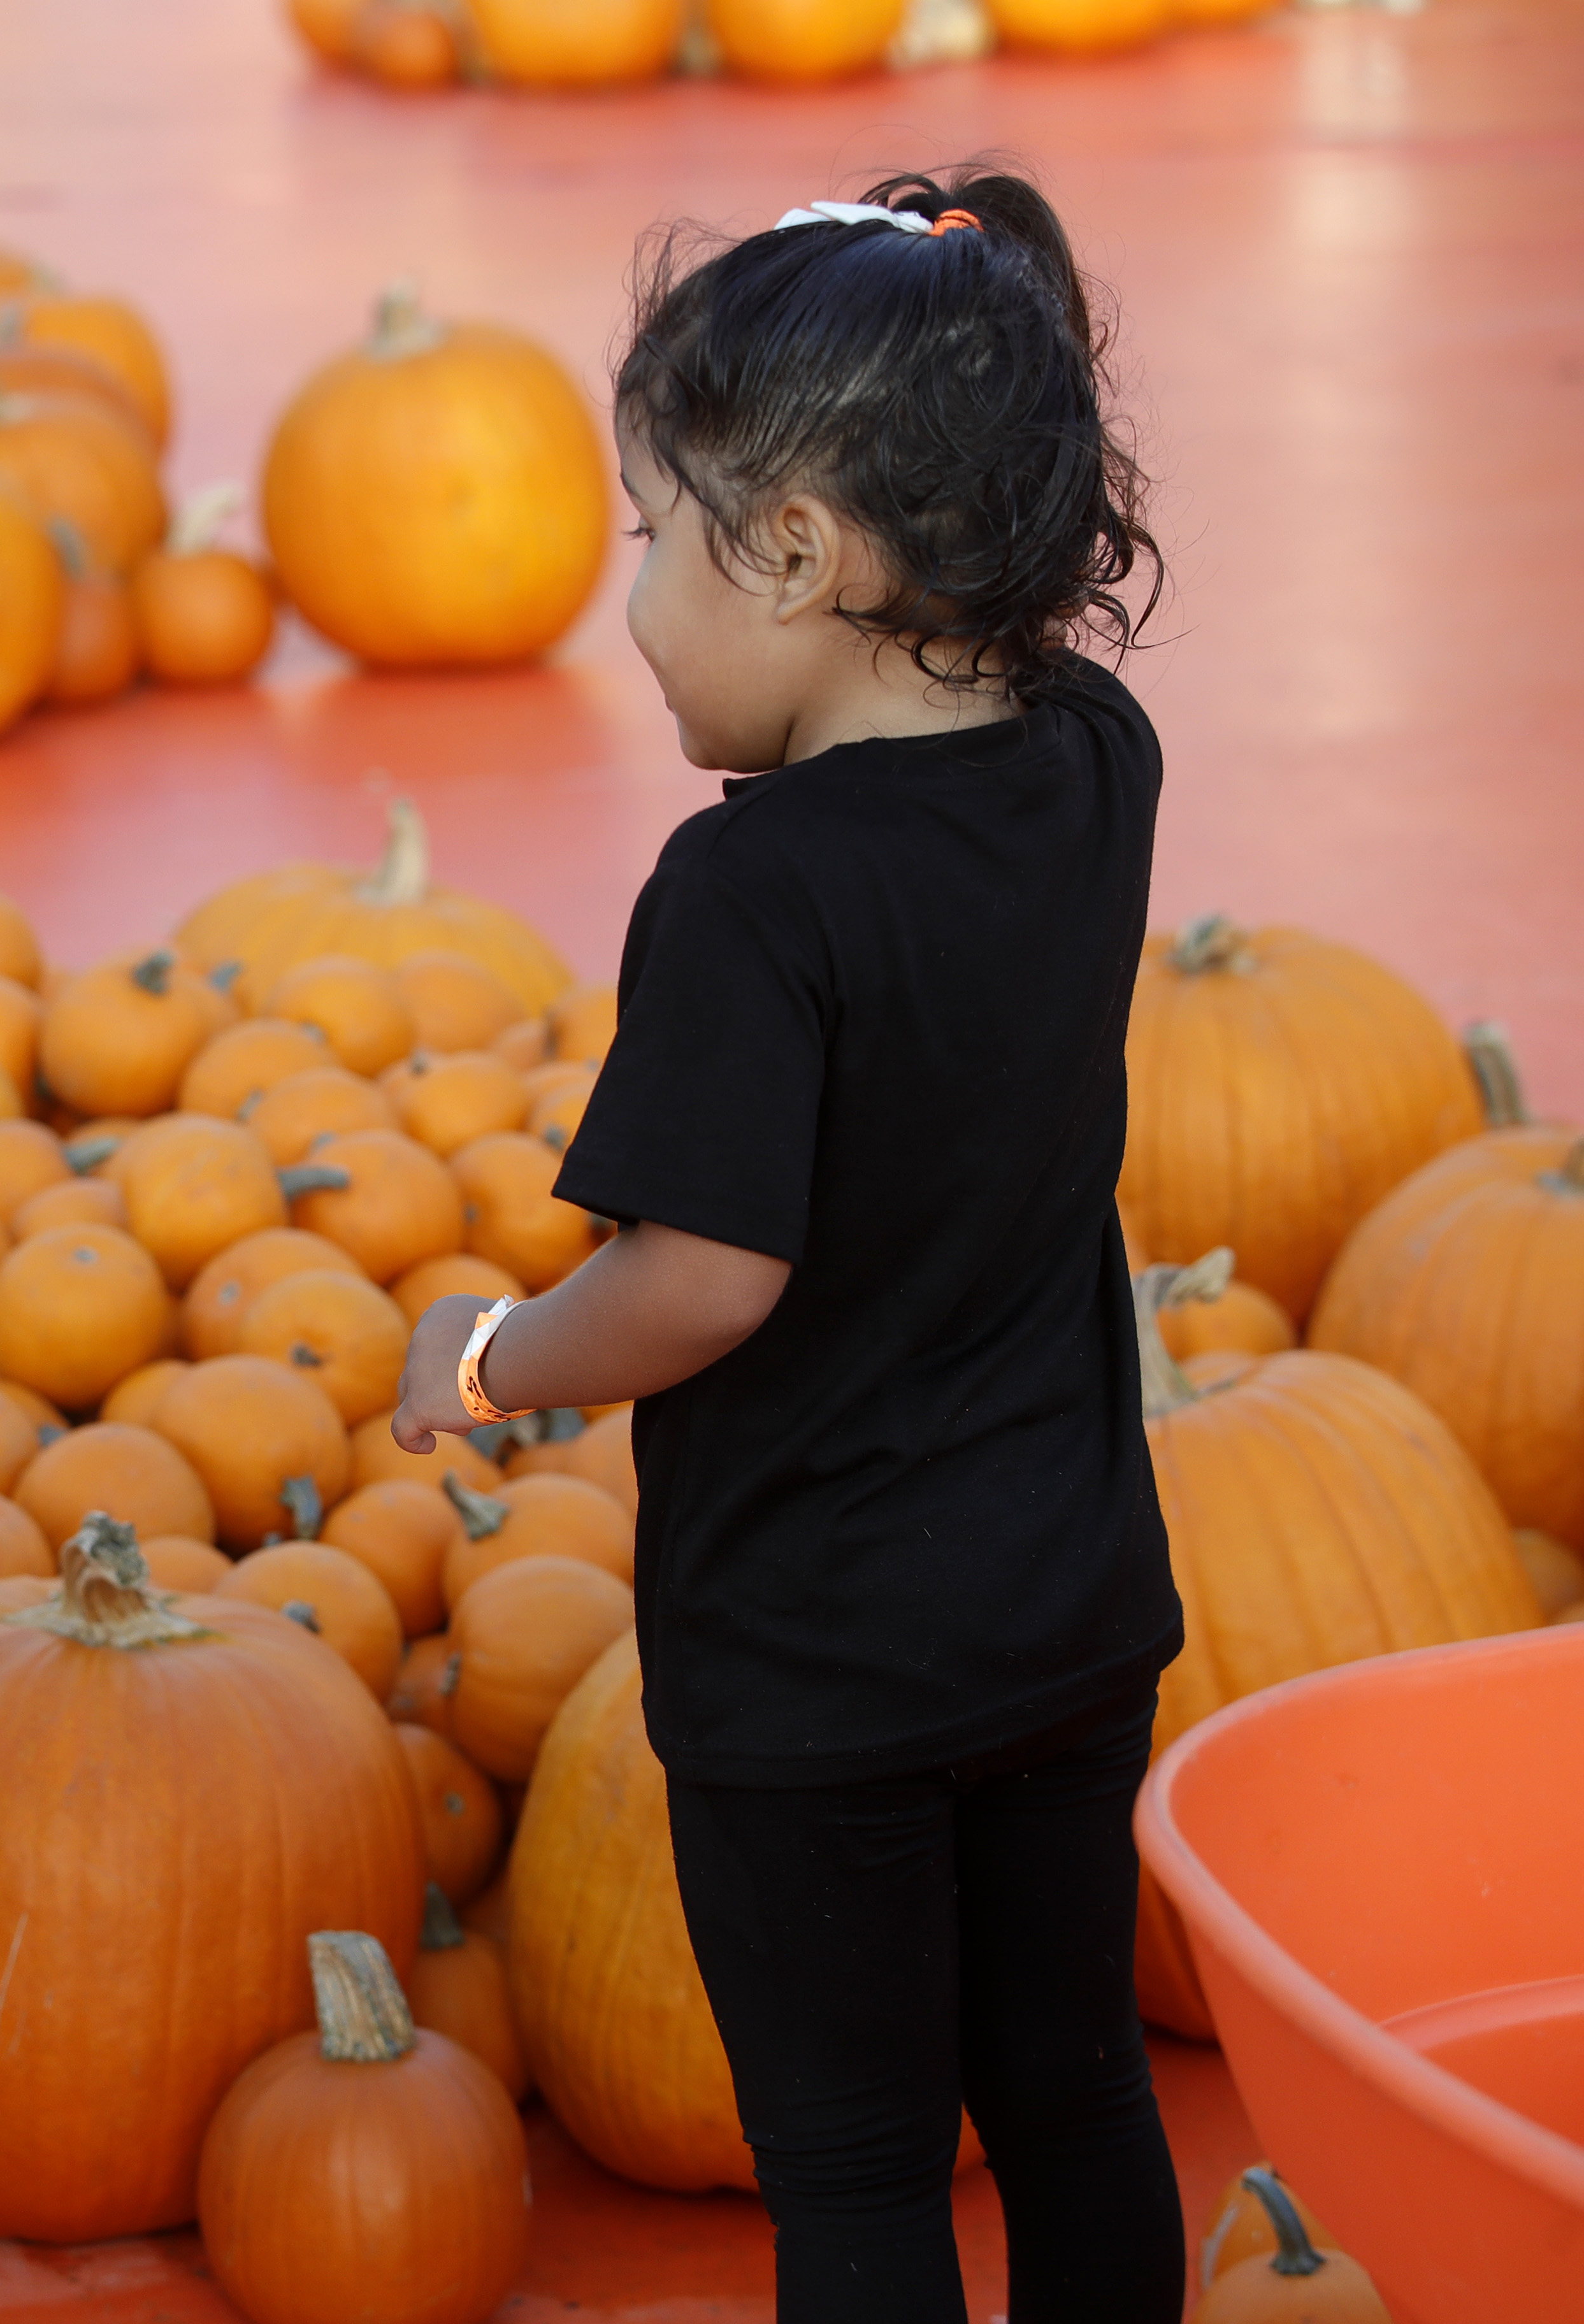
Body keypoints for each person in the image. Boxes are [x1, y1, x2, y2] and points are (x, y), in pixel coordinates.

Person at [387, 171, 1184, 2321]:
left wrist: (487, 1359)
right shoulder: (1099, 761)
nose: (630, 600)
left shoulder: (749, 896)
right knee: (1081, 2098)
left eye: (656, 533)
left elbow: (703, 1279)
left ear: (809, 558)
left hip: (822, 1666)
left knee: (850, 2175)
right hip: (1071, 1606)